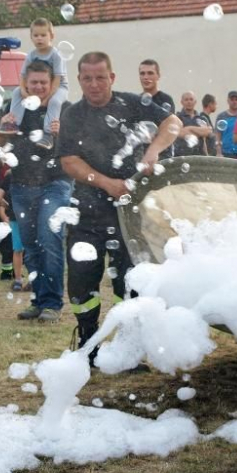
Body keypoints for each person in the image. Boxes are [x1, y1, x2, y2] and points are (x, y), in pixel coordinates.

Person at [58, 51, 181, 365]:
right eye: (87, 78)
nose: (94, 84)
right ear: (80, 80)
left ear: (111, 77)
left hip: (129, 210)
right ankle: (87, 340)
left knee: (130, 280)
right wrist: (105, 182)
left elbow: (173, 122)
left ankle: (128, 348)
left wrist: (153, 150)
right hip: (85, 210)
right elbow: (69, 161)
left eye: (101, 77)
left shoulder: (132, 103)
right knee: (82, 279)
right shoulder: (72, 114)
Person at [0, 60, 72, 322]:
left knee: (49, 240)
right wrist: (2, 130)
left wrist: (63, 134)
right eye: (34, 82)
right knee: (30, 246)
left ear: (52, 83)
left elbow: (77, 149)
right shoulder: (15, 108)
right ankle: (39, 300)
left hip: (56, 183)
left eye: (43, 82)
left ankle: (52, 303)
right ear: (25, 83)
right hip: (21, 185)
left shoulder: (64, 109)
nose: (38, 87)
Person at [9, 18, 68, 139]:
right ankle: (13, 123)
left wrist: (47, 98)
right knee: (16, 92)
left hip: (60, 87)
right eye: (36, 35)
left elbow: (57, 80)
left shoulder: (56, 55)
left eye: (43, 35)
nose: (39, 38)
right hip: (48, 87)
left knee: (55, 102)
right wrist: (24, 91)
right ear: (31, 37)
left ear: (51, 36)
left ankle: (48, 132)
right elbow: (23, 76)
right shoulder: (31, 55)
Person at [139, 59, 175, 159]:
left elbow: (168, 127)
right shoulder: (136, 101)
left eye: (150, 73)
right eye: (142, 73)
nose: (146, 77)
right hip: (141, 156)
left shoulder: (166, 99)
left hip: (163, 155)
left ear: (158, 76)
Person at [174, 91, 213, 157]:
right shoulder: (177, 117)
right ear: (182, 102)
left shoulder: (202, 118)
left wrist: (189, 129)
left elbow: (207, 132)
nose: (189, 102)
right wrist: (199, 131)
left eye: (191, 99)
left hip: (199, 156)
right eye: (186, 100)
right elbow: (179, 133)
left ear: (195, 102)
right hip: (181, 156)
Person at [216, 91, 237, 158]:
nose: (234, 102)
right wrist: (219, 153)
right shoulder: (221, 116)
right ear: (228, 101)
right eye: (232, 99)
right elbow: (218, 136)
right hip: (226, 153)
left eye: (236, 99)